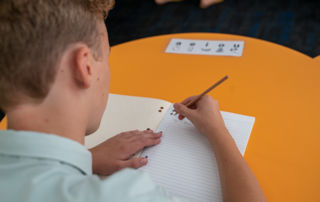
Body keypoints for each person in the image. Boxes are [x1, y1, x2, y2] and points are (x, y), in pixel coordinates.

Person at [0, 0, 266, 201]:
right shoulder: (124, 195)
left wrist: (86, 159)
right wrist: (219, 133)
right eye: (106, 55)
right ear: (85, 67)